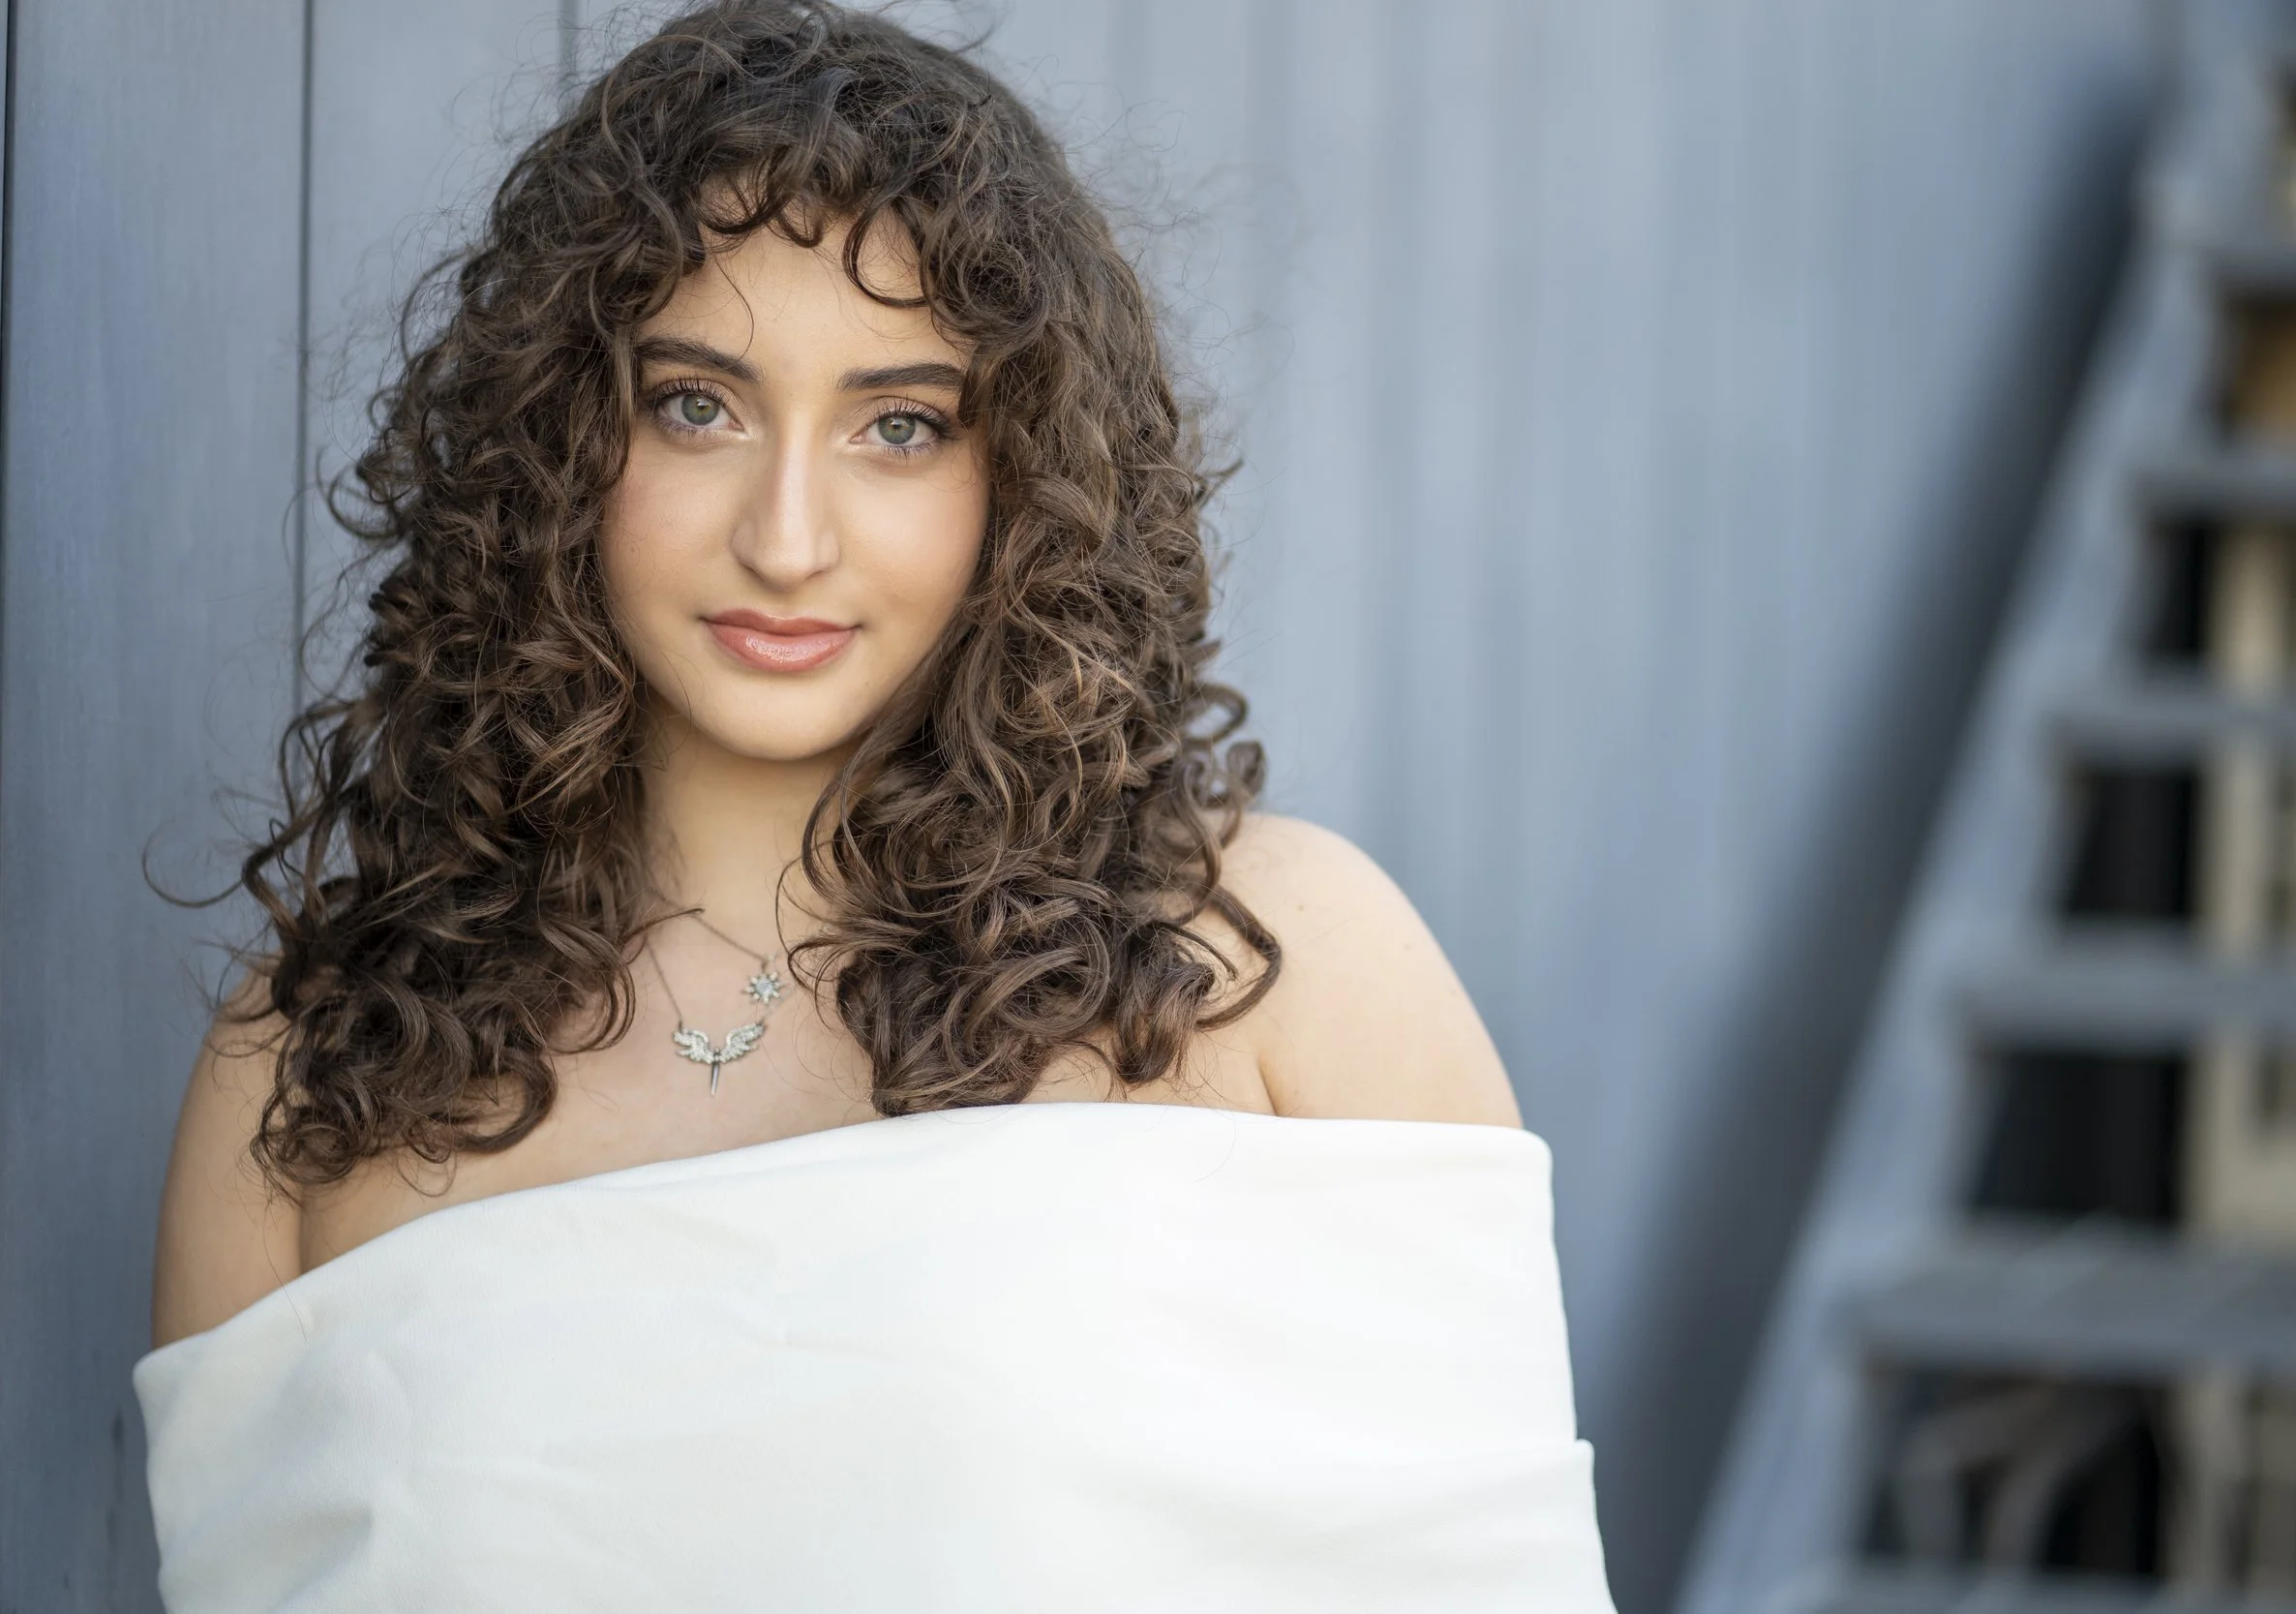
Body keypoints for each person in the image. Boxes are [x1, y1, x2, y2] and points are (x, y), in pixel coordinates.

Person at [137, 4, 1614, 1608]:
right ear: (560, 436)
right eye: (695, 403)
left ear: (1024, 476)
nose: (787, 535)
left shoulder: (1276, 965)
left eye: (899, 425)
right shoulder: (313, 1066)